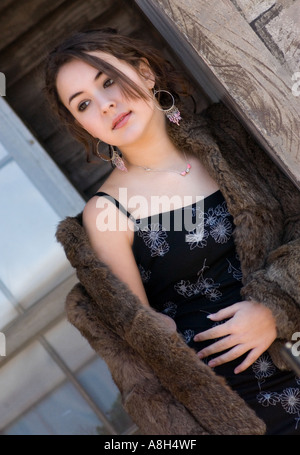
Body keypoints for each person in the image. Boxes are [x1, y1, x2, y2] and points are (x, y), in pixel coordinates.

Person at [44, 28, 300, 435]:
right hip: (251, 405)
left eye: (108, 80)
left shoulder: (230, 139)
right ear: (84, 126)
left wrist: (273, 307)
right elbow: (147, 345)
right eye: (85, 105)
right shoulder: (106, 212)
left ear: (145, 73)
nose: (106, 105)